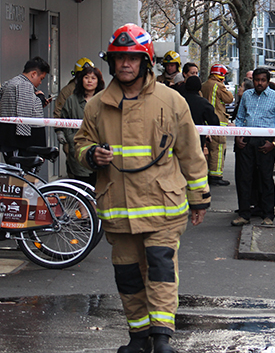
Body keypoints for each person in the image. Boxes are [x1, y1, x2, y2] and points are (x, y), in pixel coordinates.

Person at [73, 23, 210, 353]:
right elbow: (79, 146)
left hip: (163, 207)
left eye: (132, 58)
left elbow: (191, 152)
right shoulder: (96, 107)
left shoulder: (172, 101)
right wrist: (91, 154)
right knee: (129, 277)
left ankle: (162, 338)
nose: (125, 65)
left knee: (161, 271)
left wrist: (199, 198)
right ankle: (138, 337)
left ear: (145, 61)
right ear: (112, 63)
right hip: (119, 208)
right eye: (119, 59)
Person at [232, 67, 275, 226]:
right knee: (244, 178)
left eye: (263, 80)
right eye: (257, 80)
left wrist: (274, 142)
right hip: (247, 141)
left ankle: (268, 214)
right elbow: (240, 118)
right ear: (253, 80)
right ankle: (244, 214)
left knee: (265, 178)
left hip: (266, 142)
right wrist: (238, 136)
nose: (259, 83)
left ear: (268, 81)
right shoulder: (247, 96)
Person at [55, 66, 105, 186]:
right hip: (78, 147)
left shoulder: (104, 100)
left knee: (98, 186)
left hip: (99, 148)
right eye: (86, 77)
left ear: (98, 81)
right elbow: (64, 120)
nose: (89, 81)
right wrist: (70, 138)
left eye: (93, 78)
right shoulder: (71, 100)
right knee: (80, 186)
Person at [0, 56, 51, 162]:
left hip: (8, 136)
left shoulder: (9, 83)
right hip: (19, 142)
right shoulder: (24, 85)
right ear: (34, 74)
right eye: (41, 79)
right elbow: (24, 116)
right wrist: (39, 99)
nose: (40, 83)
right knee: (22, 174)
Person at [201, 64, 235, 186]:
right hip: (218, 122)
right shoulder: (219, 85)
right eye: (224, 76)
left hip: (204, 122)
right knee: (218, 149)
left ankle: (207, 173)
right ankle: (215, 175)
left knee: (207, 149)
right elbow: (229, 98)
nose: (224, 79)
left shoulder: (204, 85)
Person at [182, 75, 220, 150]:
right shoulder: (203, 103)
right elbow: (214, 122)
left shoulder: (179, 100)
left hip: (180, 137)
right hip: (197, 138)